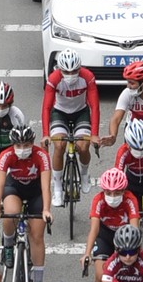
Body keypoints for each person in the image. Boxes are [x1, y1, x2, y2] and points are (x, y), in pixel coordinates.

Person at [0, 125, 53, 282]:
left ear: (33, 144)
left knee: (37, 235)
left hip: (36, 192)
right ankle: (9, 245)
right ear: (13, 145)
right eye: (18, 145)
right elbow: (0, 185)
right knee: (11, 212)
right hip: (14, 188)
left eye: (26, 145)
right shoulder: (6, 156)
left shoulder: (41, 155)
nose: (22, 149)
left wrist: (47, 210)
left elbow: (45, 187)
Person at [41, 49, 100, 195]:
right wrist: (46, 134)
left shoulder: (88, 77)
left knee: (83, 146)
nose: (70, 75)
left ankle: (85, 175)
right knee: (59, 146)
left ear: (80, 68)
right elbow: (46, 108)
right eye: (66, 72)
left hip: (81, 112)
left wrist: (94, 134)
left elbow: (94, 106)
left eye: (74, 71)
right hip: (60, 112)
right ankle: (58, 186)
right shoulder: (54, 79)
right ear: (59, 69)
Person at [81, 166, 143, 282]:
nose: (112, 197)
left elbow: (134, 229)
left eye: (117, 193)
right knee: (100, 276)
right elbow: (94, 230)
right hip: (105, 236)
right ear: (103, 191)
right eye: (109, 193)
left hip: (125, 237)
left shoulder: (130, 200)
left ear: (124, 191)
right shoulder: (98, 200)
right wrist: (87, 253)